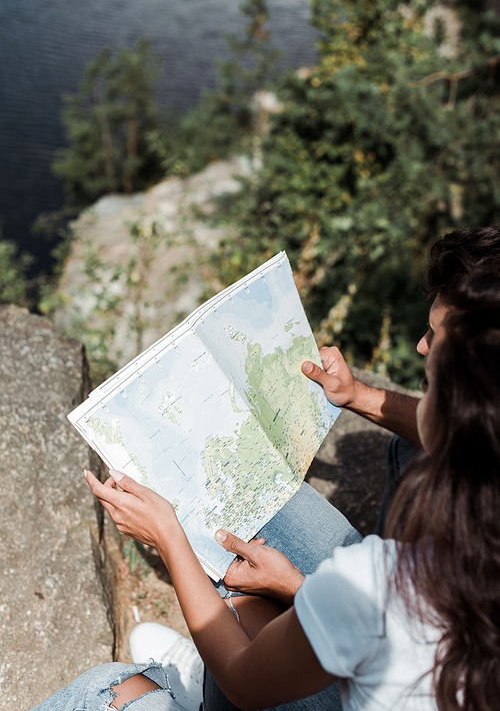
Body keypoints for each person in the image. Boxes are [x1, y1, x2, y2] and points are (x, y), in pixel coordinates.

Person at [32, 273, 500, 710]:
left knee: (105, 691)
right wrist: (357, 395)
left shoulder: (382, 585)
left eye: (435, 346)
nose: (420, 345)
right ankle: (233, 634)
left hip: (319, 665)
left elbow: (245, 680)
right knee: (257, 501)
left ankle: (208, 674)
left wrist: (169, 538)